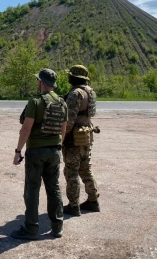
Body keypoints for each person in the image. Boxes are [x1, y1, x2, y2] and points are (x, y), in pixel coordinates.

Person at [10, 68, 67, 240]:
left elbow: (26, 129)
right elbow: (63, 130)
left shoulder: (35, 102)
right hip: (54, 151)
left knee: (32, 189)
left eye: (38, 80)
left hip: (36, 152)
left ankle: (31, 228)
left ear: (42, 82)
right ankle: (57, 227)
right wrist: (57, 146)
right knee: (54, 188)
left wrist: (18, 151)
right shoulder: (62, 102)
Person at [61, 65, 100, 216]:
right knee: (86, 169)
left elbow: (69, 120)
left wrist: (62, 138)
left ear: (75, 78)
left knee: (71, 171)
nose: (68, 77)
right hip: (86, 135)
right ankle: (93, 200)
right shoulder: (90, 91)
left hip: (74, 138)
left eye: (70, 75)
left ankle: (73, 205)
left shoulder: (76, 93)